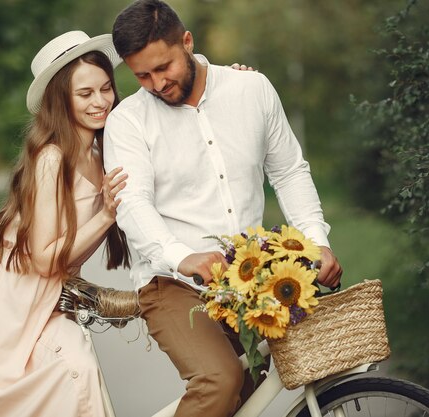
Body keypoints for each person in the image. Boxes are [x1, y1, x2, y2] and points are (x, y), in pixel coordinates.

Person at [103, 1, 343, 416]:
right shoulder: (128, 121)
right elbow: (132, 202)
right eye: (142, 75)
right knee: (220, 379)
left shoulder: (251, 90)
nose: (157, 83)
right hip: (171, 283)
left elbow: (288, 172)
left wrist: (316, 243)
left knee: (248, 396)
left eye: (164, 67)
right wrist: (183, 257)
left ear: (187, 42)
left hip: (248, 281)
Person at [0, 31, 130, 417]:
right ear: (61, 99)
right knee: (73, 374)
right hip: (8, 307)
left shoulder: (103, 151)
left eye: (106, 88)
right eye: (85, 94)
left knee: (79, 373)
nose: (100, 101)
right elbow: (44, 260)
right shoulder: (51, 159)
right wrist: (107, 215)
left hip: (46, 300)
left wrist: (222, 76)